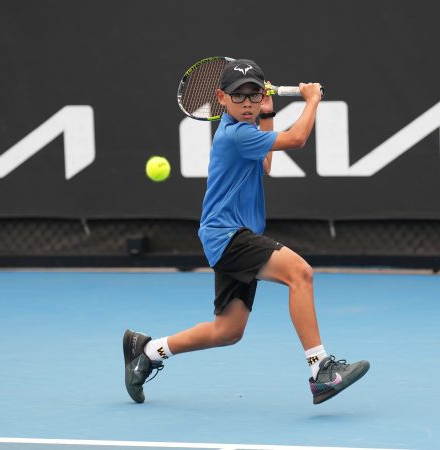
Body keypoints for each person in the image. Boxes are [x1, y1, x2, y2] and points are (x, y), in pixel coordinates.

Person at [123, 58, 369, 405]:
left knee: (228, 331)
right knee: (300, 274)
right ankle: (321, 369)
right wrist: (312, 99)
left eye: (255, 95)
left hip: (224, 235)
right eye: (240, 97)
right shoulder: (236, 134)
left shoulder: (245, 129)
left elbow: (266, 163)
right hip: (228, 234)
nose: (248, 103)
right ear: (221, 98)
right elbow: (297, 139)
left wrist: (267, 114)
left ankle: (147, 350)